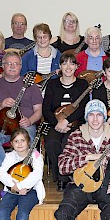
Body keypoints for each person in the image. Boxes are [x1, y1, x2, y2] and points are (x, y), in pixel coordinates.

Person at [0, 52, 43, 170]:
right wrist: (0, 105)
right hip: (1, 126)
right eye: (9, 63)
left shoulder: (31, 85)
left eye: (16, 63)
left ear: (21, 66)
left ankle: (25, 170)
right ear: (3, 66)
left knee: (26, 138)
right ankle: (7, 170)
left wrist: (30, 121)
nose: (13, 66)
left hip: (24, 126)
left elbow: (39, 111)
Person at [42, 53, 89, 191]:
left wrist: (67, 120)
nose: (68, 67)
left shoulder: (82, 84)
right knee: (51, 143)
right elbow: (46, 109)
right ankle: (62, 174)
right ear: (60, 66)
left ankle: (67, 176)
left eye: (71, 63)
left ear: (76, 67)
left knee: (69, 142)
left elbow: (83, 108)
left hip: (76, 124)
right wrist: (57, 123)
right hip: (55, 124)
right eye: (64, 63)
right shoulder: (52, 84)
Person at [0, 128, 45, 220]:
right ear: (12, 143)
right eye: (16, 141)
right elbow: (1, 174)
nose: (19, 144)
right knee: (2, 213)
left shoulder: (36, 156)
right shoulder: (9, 156)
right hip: (12, 190)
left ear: (28, 142)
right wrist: (13, 186)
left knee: (22, 214)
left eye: (22, 140)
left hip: (31, 191)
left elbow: (36, 174)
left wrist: (21, 186)